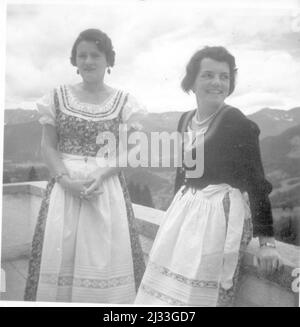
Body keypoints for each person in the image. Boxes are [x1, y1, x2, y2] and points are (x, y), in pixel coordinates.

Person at [135, 46, 282, 306]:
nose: (217, 82)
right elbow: (184, 172)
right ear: (192, 81)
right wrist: (173, 213)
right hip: (186, 213)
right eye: (208, 75)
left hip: (220, 217)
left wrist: (267, 241)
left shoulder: (235, 122)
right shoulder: (185, 120)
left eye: (224, 77)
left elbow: (258, 183)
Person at [24, 28, 146, 303]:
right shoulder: (56, 97)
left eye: (96, 55)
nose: (88, 61)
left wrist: (104, 172)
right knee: (61, 253)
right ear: (75, 61)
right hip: (65, 188)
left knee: (105, 259)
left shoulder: (125, 102)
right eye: (82, 55)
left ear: (108, 61)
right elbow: (49, 146)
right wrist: (65, 181)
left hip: (106, 190)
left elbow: (134, 148)